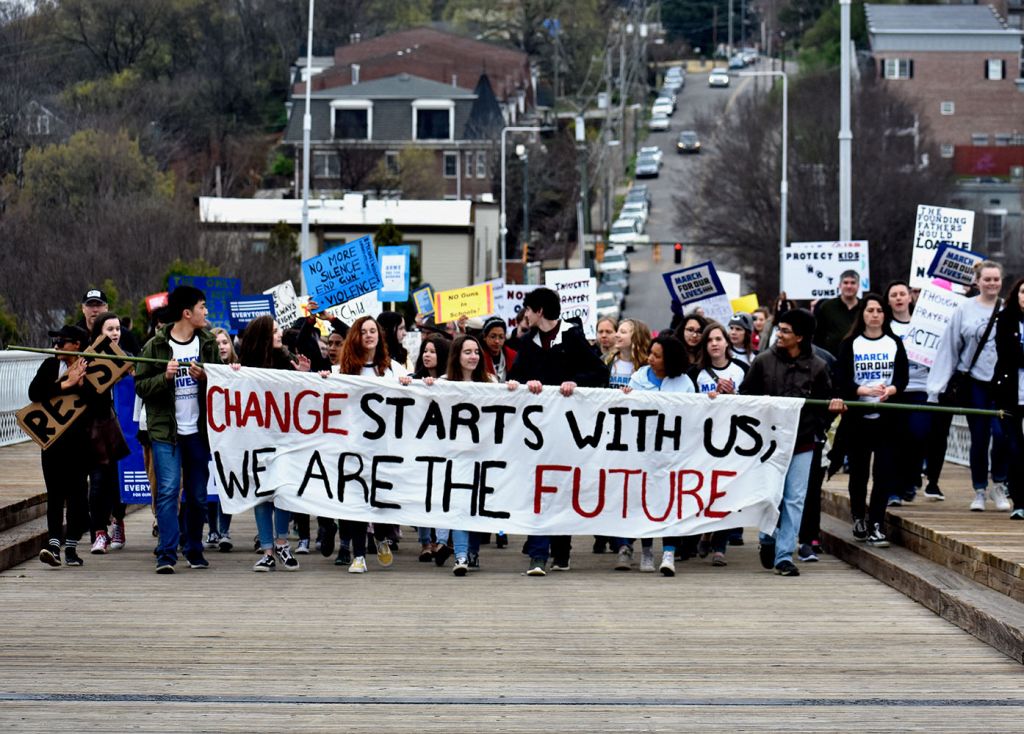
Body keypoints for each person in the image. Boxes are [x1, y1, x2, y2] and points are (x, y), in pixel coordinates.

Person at [509, 287, 610, 576]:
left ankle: (562, 552)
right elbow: (514, 377)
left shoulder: (572, 337)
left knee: (562, 487)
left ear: (539, 311)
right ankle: (539, 554)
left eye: (528, 309)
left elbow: (599, 373)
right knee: (542, 488)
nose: (525, 314)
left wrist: (574, 383)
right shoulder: (528, 342)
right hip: (538, 431)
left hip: (569, 431)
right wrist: (527, 383)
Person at [741, 309, 844, 577]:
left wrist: (826, 416)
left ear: (800, 337)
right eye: (779, 329)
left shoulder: (819, 367)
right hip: (768, 442)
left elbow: (826, 402)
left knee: (795, 498)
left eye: (785, 331)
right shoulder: (763, 362)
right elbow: (745, 398)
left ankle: (785, 554)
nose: (779, 334)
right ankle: (768, 538)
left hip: (803, 441)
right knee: (770, 494)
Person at [410, 334, 520, 575]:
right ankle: (461, 556)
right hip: (454, 456)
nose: (473, 357)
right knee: (460, 505)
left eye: (476, 352)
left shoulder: (491, 381)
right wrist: (417, 386)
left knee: (476, 506)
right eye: (468, 352)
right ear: (457, 356)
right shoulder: (443, 382)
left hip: (483, 455)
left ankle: (472, 552)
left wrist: (512, 389)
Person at [135, 285, 222, 574]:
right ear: (187, 313)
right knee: (169, 491)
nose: (206, 312)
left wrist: (207, 376)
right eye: (202, 307)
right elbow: (140, 387)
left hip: (198, 432)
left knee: (198, 495)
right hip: (165, 433)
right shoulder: (156, 346)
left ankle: (194, 549)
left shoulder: (208, 344)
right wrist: (164, 378)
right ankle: (167, 553)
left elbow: (223, 385)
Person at [927, 261, 1010, 512]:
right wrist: (938, 385)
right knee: (980, 436)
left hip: (1001, 382)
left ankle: (999, 483)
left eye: (996, 279)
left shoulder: (1008, 309)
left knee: (1002, 434)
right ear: (977, 281)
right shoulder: (964, 309)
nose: (992, 283)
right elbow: (950, 346)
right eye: (987, 279)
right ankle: (979, 489)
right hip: (974, 381)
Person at [833, 293, 909, 548]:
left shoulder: (894, 343)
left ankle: (877, 522)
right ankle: (858, 517)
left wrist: (891, 391)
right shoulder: (851, 344)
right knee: (859, 472)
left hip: (887, 418)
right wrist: (860, 390)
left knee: (884, 472)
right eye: (869, 310)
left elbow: (902, 378)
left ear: (884, 314)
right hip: (858, 418)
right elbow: (841, 378)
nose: (874, 314)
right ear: (862, 314)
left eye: (878, 310)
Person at [332, 315, 406, 573]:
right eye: (363, 331)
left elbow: (412, 396)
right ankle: (359, 555)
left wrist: (411, 385)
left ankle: (382, 535)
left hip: (384, 448)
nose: (368, 335)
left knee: (380, 497)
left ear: (379, 335)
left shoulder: (393, 369)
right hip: (353, 445)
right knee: (355, 501)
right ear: (356, 336)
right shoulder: (345, 368)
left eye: (373, 330)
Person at [233, 316, 307, 571]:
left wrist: (305, 378)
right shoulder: (245, 367)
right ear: (263, 336)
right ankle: (267, 550)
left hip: (285, 440)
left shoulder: (287, 362)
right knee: (262, 494)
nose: (280, 335)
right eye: (275, 331)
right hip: (257, 439)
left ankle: (282, 543)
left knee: (283, 491)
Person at [620, 334, 694, 576]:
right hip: (643, 451)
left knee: (670, 500)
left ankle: (669, 552)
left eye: (657, 355)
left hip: (672, 452)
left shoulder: (684, 383)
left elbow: (694, 414)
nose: (650, 358)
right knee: (645, 499)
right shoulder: (639, 378)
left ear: (670, 360)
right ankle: (647, 549)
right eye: (650, 353)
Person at [30, 324, 93, 567]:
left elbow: (98, 402)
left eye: (62, 342)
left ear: (77, 345)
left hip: (80, 442)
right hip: (53, 440)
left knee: (77, 494)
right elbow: (34, 392)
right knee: (55, 493)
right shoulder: (50, 366)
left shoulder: (91, 366)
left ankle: (72, 546)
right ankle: (54, 544)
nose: (57, 346)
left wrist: (81, 385)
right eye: (55, 341)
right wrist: (65, 385)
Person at [689, 322, 749, 565]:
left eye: (718, 339)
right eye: (710, 340)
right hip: (703, 441)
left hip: (732, 440)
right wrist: (707, 399)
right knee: (704, 491)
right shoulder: (696, 373)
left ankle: (720, 547)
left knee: (726, 491)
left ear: (727, 342)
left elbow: (753, 402)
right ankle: (705, 532)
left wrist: (733, 397)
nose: (714, 343)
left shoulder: (742, 369)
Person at [884, 281, 932, 505]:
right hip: (894, 390)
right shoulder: (886, 327)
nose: (899, 298)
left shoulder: (924, 324)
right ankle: (894, 489)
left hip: (921, 387)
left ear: (910, 298)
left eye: (902, 294)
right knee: (895, 439)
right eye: (894, 295)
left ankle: (912, 478)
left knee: (918, 435)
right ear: (889, 300)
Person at [87, 313, 131, 555]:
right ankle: (99, 534)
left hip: (121, 429)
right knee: (97, 483)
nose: (115, 333)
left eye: (117, 329)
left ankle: (119, 523)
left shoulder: (129, 359)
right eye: (109, 329)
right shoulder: (88, 358)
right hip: (97, 429)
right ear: (98, 333)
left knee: (118, 482)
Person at [992, 277, 1024, 520]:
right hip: (1011, 393)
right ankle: (1019, 500)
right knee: (1014, 448)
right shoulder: (1005, 320)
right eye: (1023, 292)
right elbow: (1008, 354)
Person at [206, 328, 237, 552]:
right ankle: (212, 530)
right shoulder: (203, 369)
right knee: (210, 485)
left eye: (225, 342)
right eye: (217, 343)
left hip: (230, 435)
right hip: (208, 433)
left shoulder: (238, 369)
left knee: (226, 484)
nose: (222, 346)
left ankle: (225, 531)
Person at [813, 270, 861, 357]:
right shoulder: (827, 307)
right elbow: (817, 336)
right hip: (831, 359)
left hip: (859, 357)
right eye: (845, 283)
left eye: (853, 283)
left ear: (858, 286)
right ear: (839, 285)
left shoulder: (865, 307)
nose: (849, 286)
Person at [605, 318, 652, 389]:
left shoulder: (648, 365)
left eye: (623, 332)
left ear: (636, 337)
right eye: (617, 331)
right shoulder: (606, 360)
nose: (616, 335)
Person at [480, 316, 517, 383]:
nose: (497, 341)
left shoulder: (513, 356)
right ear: (484, 337)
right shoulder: (478, 356)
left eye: (501, 337)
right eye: (493, 336)